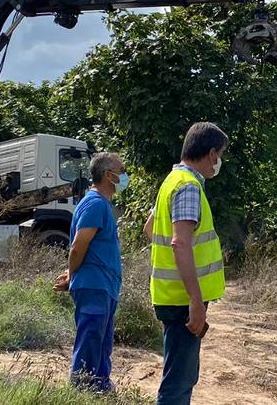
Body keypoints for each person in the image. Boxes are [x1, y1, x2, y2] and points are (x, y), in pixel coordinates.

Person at [144, 122, 228, 405]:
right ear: (212, 153)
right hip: (183, 300)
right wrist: (195, 298)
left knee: (181, 374)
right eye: (221, 155)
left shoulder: (172, 181)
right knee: (179, 381)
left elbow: (150, 229)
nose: (220, 162)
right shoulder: (189, 187)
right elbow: (179, 242)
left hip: (171, 295)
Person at [54, 152, 127, 393]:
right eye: (122, 171)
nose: (125, 176)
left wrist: (71, 274)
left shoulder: (100, 204)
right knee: (90, 342)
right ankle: (81, 391)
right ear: (109, 175)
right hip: (94, 287)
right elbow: (78, 246)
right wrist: (73, 276)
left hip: (103, 287)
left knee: (101, 344)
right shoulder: (95, 204)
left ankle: (100, 389)